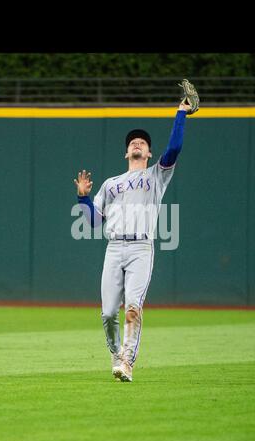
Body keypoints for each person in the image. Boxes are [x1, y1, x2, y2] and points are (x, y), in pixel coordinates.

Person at [74, 99, 192, 382]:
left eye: (142, 142)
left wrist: (181, 113)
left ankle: (127, 361)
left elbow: (174, 148)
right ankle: (115, 353)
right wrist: (82, 198)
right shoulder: (111, 183)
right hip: (114, 248)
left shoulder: (157, 176)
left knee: (133, 309)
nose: (137, 143)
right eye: (133, 142)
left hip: (141, 247)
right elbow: (93, 220)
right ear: (126, 151)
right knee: (107, 314)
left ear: (149, 152)